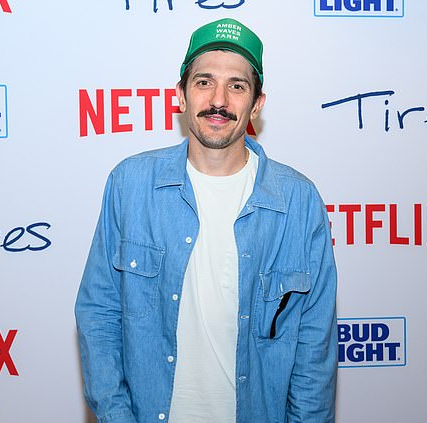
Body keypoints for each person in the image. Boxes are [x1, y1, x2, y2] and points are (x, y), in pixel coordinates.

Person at [75, 18, 337, 423]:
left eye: (237, 86)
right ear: (180, 95)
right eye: (204, 82)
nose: (219, 100)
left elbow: (314, 348)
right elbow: (98, 313)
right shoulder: (130, 185)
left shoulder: (299, 202)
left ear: (257, 104)